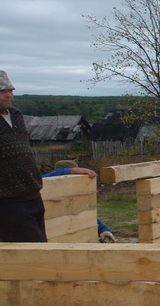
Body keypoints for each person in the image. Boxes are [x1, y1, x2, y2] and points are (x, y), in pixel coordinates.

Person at [0, 70, 47, 242]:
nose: (8, 95)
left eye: (10, 90)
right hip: (8, 202)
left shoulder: (16, 116)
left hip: (33, 195)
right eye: (2, 91)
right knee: (36, 253)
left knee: (43, 247)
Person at [42, 159, 115, 242]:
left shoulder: (76, 195)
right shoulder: (46, 193)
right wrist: (70, 171)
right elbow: (42, 179)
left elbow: (86, 215)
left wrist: (103, 230)